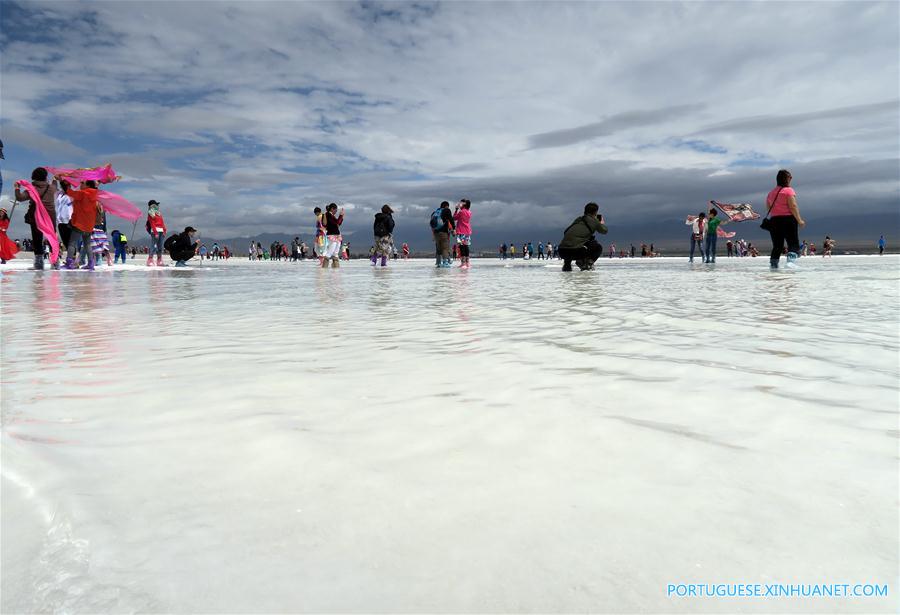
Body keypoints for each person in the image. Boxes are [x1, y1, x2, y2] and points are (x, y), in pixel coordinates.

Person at [14, 167, 58, 270]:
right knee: (52, 238)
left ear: (33, 177)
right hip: (50, 216)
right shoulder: (51, 188)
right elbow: (55, 185)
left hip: (36, 216)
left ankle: (39, 264)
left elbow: (20, 198)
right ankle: (55, 263)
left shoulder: (31, 189)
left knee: (37, 239)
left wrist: (16, 188)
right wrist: (55, 179)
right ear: (45, 177)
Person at [765, 169, 805, 269]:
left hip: (774, 221)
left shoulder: (770, 193)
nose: (791, 179)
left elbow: (768, 207)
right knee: (792, 242)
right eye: (790, 177)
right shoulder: (789, 190)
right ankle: (790, 263)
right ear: (786, 179)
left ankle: (773, 265)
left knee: (777, 245)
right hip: (788, 220)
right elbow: (793, 206)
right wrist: (799, 220)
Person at [558, 202, 608, 271]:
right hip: (575, 252)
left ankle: (567, 264)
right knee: (597, 247)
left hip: (562, 251)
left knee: (576, 242)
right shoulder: (595, 221)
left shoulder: (578, 219)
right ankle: (586, 264)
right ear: (595, 212)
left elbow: (566, 231)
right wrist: (600, 222)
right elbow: (604, 231)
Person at [63, 180, 100, 270]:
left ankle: (69, 263)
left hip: (80, 223)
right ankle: (91, 264)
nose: (80, 184)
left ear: (88, 185)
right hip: (89, 225)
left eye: (82, 183)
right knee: (87, 244)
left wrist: (64, 183)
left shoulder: (83, 193)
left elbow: (70, 192)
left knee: (72, 243)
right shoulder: (95, 195)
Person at [430, 201, 454, 268]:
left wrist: (433, 235)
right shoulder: (446, 210)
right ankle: (445, 262)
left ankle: (438, 262)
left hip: (436, 233)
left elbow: (431, 225)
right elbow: (451, 220)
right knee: (445, 248)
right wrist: (453, 229)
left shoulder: (434, 213)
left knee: (438, 248)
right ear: (446, 206)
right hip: (444, 232)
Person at [145, 200, 167, 267]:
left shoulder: (159, 213)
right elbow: (152, 223)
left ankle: (159, 259)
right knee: (153, 245)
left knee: (160, 246)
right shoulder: (150, 213)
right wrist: (155, 232)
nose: (157, 206)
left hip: (161, 231)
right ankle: (150, 259)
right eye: (156, 204)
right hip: (155, 231)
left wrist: (164, 230)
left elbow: (162, 222)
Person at [322, 203, 344, 268]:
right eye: (335, 210)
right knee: (330, 251)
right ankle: (324, 268)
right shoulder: (328, 215)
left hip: (336, 234)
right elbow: (336, 223)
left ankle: (336, 268)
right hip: (332, 234)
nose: (336, 211)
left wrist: (341, 216)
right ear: (332, 209)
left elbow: (338, 224)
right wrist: (340, 216)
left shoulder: (331, 215)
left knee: (336, 252)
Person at [453, 199, 473, 269]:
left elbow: (454, 218)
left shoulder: (461, 212)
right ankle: (467, 263)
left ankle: (463, 263)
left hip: (461, 231)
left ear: (464, 204)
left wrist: (456, 209)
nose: (459, 204)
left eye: (461, 203)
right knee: (466, 246)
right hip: (467, 231)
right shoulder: (469, 212)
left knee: (462, 247)